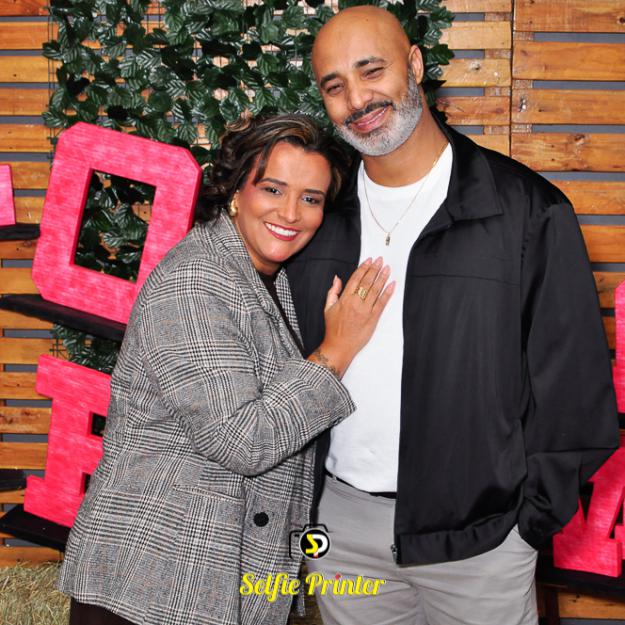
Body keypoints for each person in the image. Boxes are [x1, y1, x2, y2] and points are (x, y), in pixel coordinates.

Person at [285, 7, 620, 625]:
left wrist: (527, 525)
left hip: (482, 544)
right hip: (340, 531)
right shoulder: (315, 215)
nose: (357, 100)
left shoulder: (526, 211)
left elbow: (574, 391)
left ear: (414, 65)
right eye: (335, 86)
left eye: (371, 71)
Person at [58, 113, 395, 625]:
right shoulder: (195, 280)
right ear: (237, 191)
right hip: (150, 584)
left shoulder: (264, 276)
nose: (291, 213)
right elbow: (242, 440)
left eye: (311, 198)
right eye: (273, 189)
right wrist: (336, 351)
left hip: (205, 580)